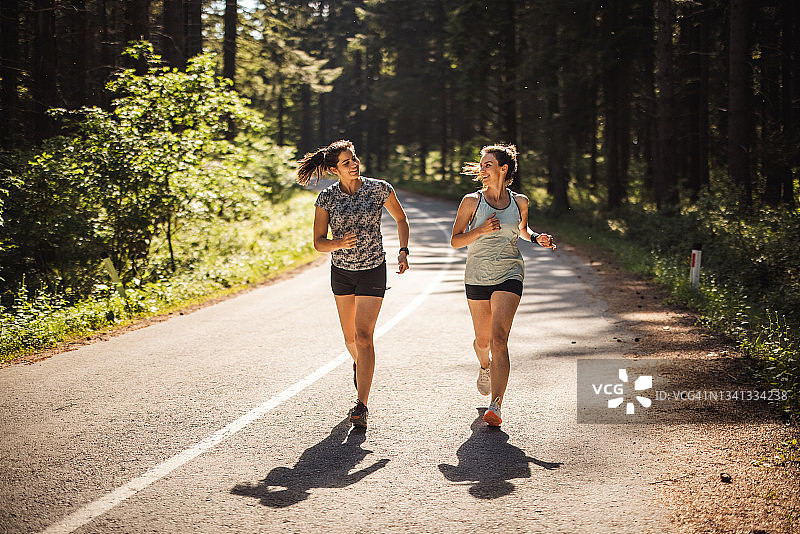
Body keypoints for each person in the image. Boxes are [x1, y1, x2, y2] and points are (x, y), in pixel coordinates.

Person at [297, 140, 410, 429]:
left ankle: (362, 405)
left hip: (372, 269)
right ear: (335, 169)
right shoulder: (326, 198)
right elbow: (319, 243)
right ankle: (361, 365)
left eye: (354, 158)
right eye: (346, 162)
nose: (354, 164)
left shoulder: (379, 189)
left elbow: (401, 219)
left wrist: (403, 250)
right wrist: (338, 243)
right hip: (342, 272)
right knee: (349, 340)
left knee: (363, 336)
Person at [450, 144, 555, 427]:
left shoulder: (519, 201)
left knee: (499, 339)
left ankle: (496, 404)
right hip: (477, 276)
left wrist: (536, 238)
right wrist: (481, 230)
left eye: (487, 165)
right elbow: (456, 240)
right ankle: (484, 365)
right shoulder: (471, 202)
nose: (482, 170)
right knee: (483, 341)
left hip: (510, 271)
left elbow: (521, 229)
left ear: (503, 168)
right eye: (481, 165)